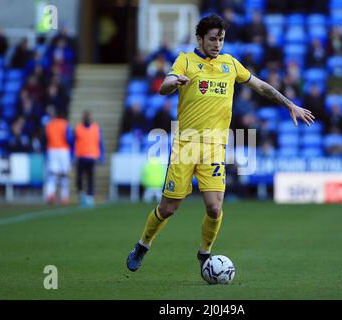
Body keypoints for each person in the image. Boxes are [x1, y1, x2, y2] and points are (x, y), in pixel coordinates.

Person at [126, 14, 315, 275]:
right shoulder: (185, 60)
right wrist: (174, 82)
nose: (217, 44)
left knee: (215, 208)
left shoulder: (230, 64)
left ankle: (205, 255)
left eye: (221, 39)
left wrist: (290, 105)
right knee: (168, 208)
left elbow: (261, 87)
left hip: (215, 147)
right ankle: (143, 244)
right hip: (186, 145)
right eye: (213, 39)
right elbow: (165, 86)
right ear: (200, 39)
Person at [74, 110, 104, 207]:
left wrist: (101, 155)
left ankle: (90, 197)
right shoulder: (77, 128)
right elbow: (72, 143)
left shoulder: (95, 128)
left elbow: (100, 143)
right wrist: (72, 155)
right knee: (79, 178)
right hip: (81, 157)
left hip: (91, 157)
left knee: (90, 178)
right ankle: (81, 194)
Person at [44, 107, 73, 205]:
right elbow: (69, 138)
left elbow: (45, 139)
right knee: (64, 174)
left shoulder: (48, 125)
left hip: (52, 150)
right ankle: (64, 197)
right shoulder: (64, 124)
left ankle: (50, 194)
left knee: (52, 174)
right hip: (63, 150)